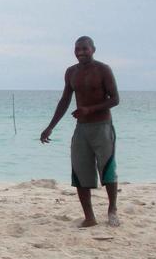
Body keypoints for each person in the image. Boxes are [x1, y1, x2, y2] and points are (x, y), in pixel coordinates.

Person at [39, 36, 121, 227]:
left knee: (107, 169)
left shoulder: (103, 70)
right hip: (81, 129)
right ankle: (89, 217)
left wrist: (89, 109)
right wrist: (50, 127)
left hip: (102, 126)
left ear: (93, 49)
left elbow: (115, 99)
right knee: (80, 171)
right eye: (77, 49)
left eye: (84, 49)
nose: (81, 52)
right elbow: (65, 100)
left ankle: (112, 210)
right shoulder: (71, 72)